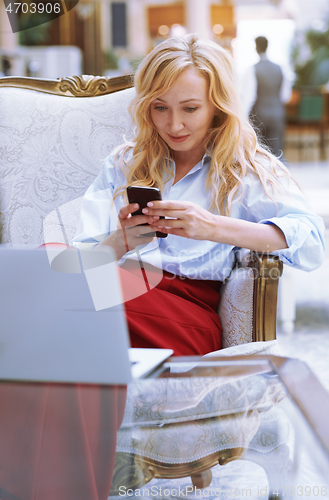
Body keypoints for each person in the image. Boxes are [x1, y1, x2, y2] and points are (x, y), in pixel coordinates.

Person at [73, 35, 325, 356]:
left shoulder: (245, 169)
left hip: (187, 313)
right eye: (159, 107)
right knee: (56, 294)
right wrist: (120, 242)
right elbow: (83, 259)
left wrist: (212, 227)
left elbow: (314, 241)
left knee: (68, 302)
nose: (173, 124)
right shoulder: (124, 162)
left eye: (190, 108)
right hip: (118, 293)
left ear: (216, 108)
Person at [240, 36, 292, 158]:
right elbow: (285, 96)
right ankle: (279, 176)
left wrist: (244, 117)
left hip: (259, 115)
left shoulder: (252, 69)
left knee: (261, 153)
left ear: (256, 48)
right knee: (277, 152)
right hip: (278, 113)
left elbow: (250, 96)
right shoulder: (281, 68)